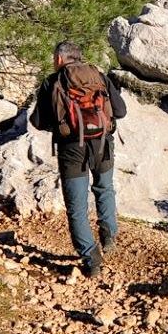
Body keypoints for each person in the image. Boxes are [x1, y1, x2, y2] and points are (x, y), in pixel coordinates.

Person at [28, 41, 127, 276]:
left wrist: (61, 123)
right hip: (103, 144)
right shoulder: (98, 76)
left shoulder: (52, 82)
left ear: (59, 59)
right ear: (79, 56)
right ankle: (109, 236)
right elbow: (121, 111)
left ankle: (91, 259)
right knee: (105, 189)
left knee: (77, 207)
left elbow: (38, 122)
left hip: (72, 149)